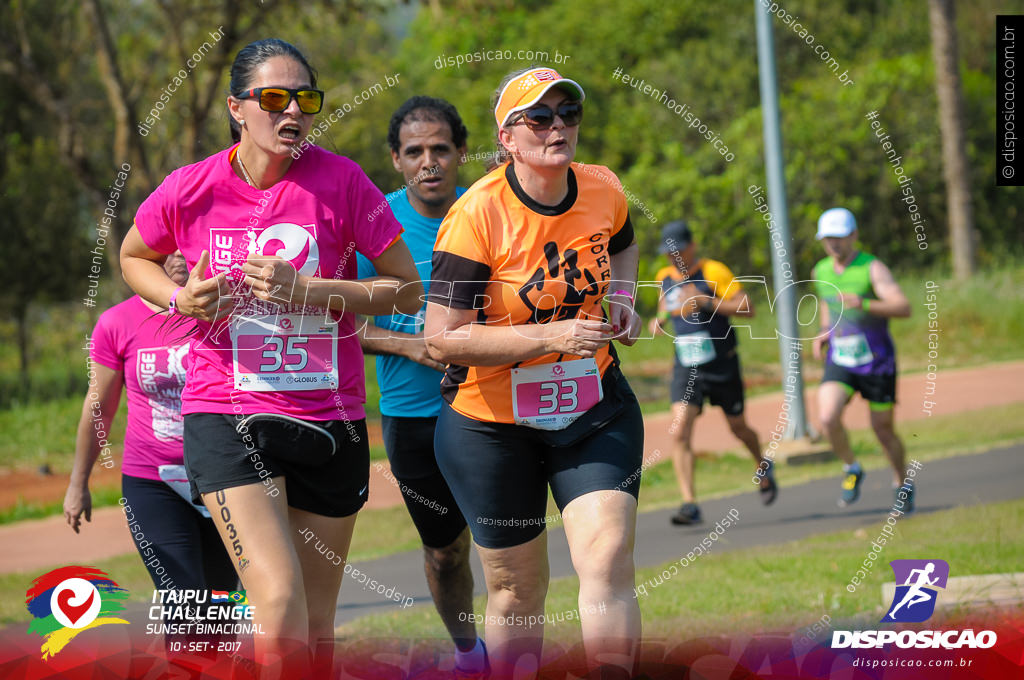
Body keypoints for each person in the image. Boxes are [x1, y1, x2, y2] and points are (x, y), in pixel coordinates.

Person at [119, 38, 422, 675]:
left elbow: (405, 287)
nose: (293, 113)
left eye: (305, 100)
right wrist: (182, 299)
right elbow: (132, 257)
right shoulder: (191, 187)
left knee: (314, 623)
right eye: (274, 99)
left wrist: (307, 290)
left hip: (328, 418)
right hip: (225, 412)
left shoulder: (341, 182)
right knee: (277, 600)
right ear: (237, 108)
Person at [424, 67, 645, 678]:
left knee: (605, 557)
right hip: (491, 425)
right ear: (507, 139)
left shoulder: (602, 187)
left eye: (568, 112)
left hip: (592, 406)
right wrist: (552, 334)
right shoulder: (476, 216)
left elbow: (623, 242)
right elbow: (442, 340)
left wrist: (622, 297)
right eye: (539, 117)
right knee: (518, 590)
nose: (558, 127)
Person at [355, 96, 487, 677]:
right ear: (397, 160)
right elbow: (343, 322)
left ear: (461, 152)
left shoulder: (486, 213)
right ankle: (468, 652)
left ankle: (511, 651)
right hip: (411, 417)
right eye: (415, 152)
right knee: (445, 550)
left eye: (440, 149)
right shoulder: (373, 224)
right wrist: (412, 346)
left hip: (490, 407)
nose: (429, 162)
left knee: (508, 547)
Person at [63, 250, 237, 619]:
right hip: (153, 481)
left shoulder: (225, 312)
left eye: (182, 244)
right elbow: (100, 408)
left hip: (225, 475)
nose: (176, 255)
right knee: (184, 602)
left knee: (223, 604)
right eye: (164, 246)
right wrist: (78, 483)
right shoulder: (117, 322)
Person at [649, 221, 777, 526]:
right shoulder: (664, 278)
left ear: (691, 246)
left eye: (677, 250)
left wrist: (706, 301)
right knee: (679, 430)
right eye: (668, 252)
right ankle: (689, 503)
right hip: (686, 363)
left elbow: (747, 307)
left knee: (738, 428)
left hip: (721, 362)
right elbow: (665, 309)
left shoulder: (713, 271)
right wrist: (660, 321)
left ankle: (762, 464)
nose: (672, 257)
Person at [811, 208, 912, 509]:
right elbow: (827, 304)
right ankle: (852, 467)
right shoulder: (821, 271)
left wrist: (864, 303)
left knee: (882, 429)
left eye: (840, 238)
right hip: (841, 359)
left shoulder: (872, 268)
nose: (835, 245)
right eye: (829, 239)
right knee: (828, 417)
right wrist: (824, 331)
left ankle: (901, 482)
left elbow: (903, 307)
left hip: (877, 361)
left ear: (853, 236)